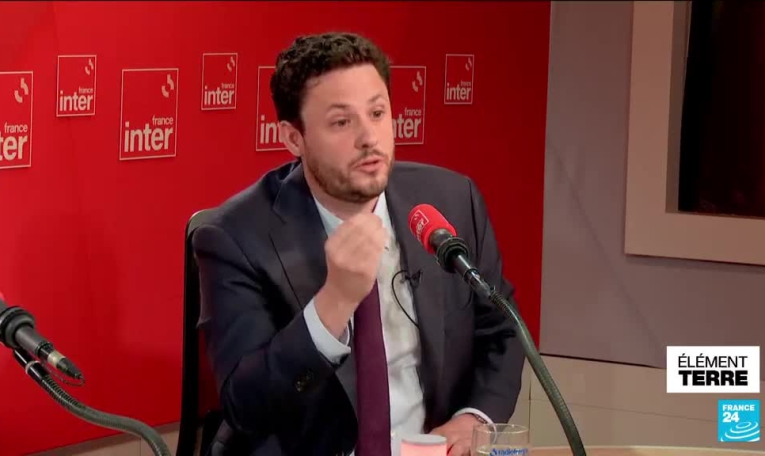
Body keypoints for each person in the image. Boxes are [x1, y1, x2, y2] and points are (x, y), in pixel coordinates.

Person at [192, 31, 525, 456]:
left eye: (378, 112)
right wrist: (333, 303)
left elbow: (503, 331)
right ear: (294, 138)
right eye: (341, 122)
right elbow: (247, 407)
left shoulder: (451, 201)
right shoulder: (235, 237)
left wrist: (473, 418)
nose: (369, 137)